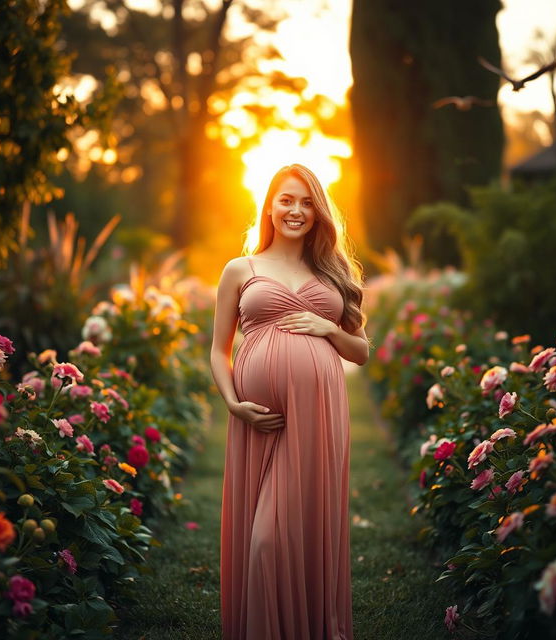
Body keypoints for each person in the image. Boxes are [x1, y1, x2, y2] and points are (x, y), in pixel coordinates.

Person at [210, 163, 370, 640]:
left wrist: (328, 329)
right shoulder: (242, 269)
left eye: (305, 202)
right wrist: (233, 403)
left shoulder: (333, 272)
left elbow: (361, 351)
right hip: (258, 419)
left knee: (281, 536)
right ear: (270, 205)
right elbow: (218, 350)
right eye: (286, 200)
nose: (295, 211)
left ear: (318, 211)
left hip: (318, 417)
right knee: (262, 541)